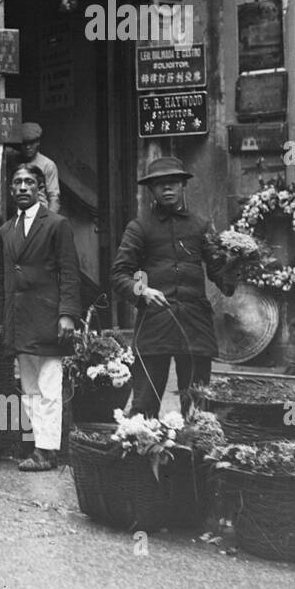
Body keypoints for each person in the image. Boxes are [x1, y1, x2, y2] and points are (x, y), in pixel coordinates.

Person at [110, 157, 233, 419]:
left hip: (194, 326)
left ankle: (195, 456)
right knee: (143, 407)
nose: (167, 189)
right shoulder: (139, 227)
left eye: (173, 183)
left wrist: (236, 263)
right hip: (155, 325)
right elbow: (119, 275)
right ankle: (141, 453)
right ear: (151, 190)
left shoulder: (201, 226)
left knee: (198, 407)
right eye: (160, 184)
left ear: (183, 186)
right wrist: (142, 291)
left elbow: (221, 277)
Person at [0, 163, 80, 472]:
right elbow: (1, 277)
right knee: (28, 387)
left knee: (50, 386)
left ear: (40, 189)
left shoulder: (56, 225)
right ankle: (35, 445)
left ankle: (48, 450)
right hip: (20, 319)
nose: (23, 187)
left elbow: (69, 272)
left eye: (30, 182)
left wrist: (67, 315)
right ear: (11, 190)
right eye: (17, 183)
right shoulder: (6, 230)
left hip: (49, 317)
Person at [10, 122, 60, 214]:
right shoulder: (13, 160)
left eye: (32, 143)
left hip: (39, 215)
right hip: (17, 214)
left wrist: (48, 222)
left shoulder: (47, 165)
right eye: (24, 143)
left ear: (38, 142)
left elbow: (54, 197)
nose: (28, 147)